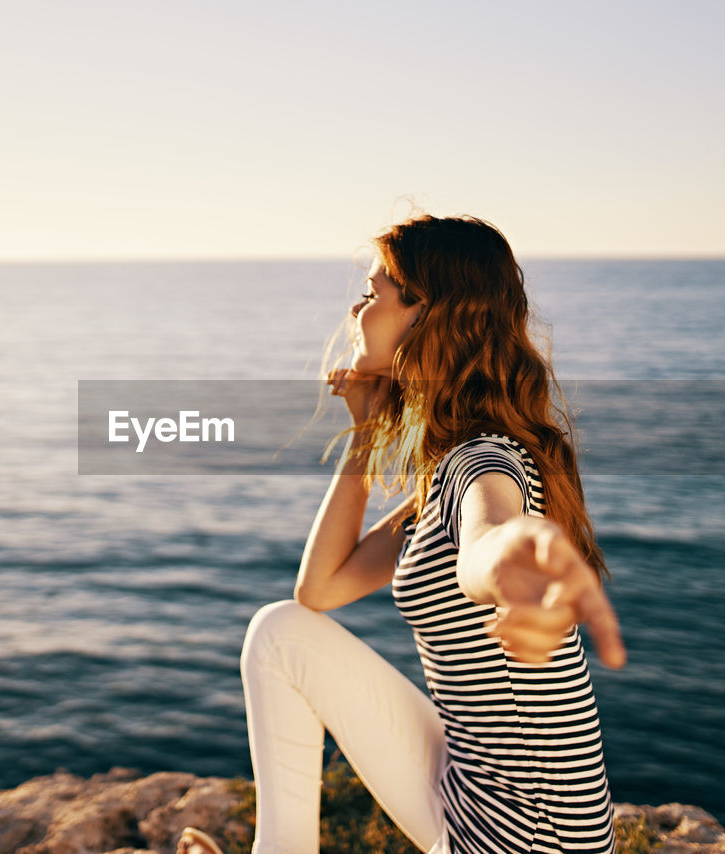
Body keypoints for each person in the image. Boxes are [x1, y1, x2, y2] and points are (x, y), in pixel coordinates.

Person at [178, 214, 627, 854]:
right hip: (471, 797)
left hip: (520, 843)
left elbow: (489, 532)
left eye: (373, 292)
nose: (356, 307)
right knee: (282, 628)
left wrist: (507, 566)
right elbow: (320, 590)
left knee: (275, 634)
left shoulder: (481, 461)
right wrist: (365, 432)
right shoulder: (448, 466)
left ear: (425, 314)